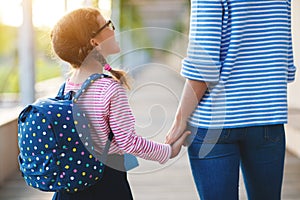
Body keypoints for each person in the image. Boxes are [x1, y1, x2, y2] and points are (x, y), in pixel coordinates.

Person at [50, 7, 190, 200]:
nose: (113, 29)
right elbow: (128, 141)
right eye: (107, 25)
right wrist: (167, 151)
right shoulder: (109, 88)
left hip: (69, 184)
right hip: (105, 183)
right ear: (95, 42)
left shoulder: (65, 88)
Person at [166, 0, 296, 200]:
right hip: (268, 117)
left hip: (214, 123)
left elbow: (203, 64)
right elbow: (286, 65)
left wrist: (180, 119)